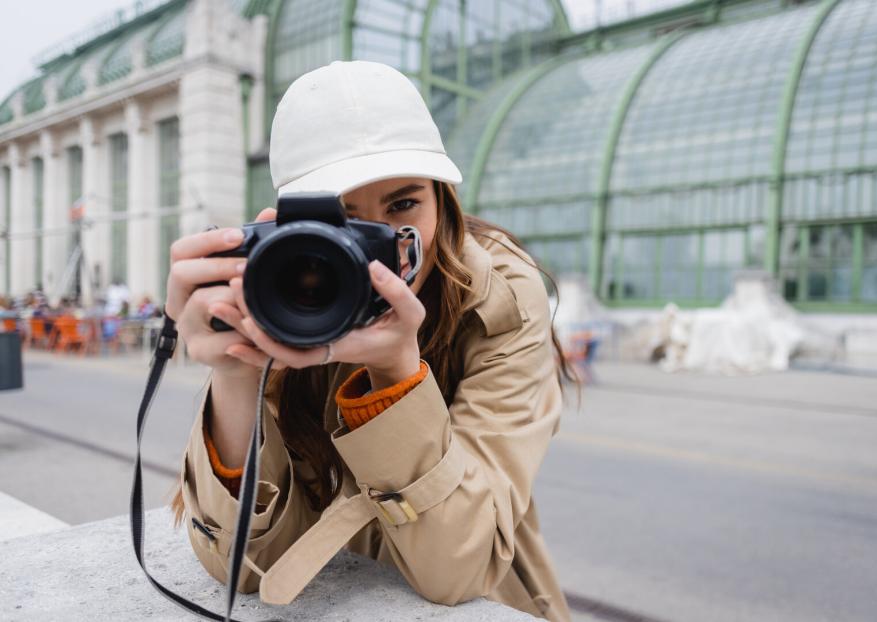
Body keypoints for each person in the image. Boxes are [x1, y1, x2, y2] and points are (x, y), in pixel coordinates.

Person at [166, 61, 574, 622]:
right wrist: (235, 372)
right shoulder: (277, 287)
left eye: (402, 206)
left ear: (441, 199)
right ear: (289, 225)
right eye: (342, 222)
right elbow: (240, 566)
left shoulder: (497, 298)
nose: (375, 247)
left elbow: (457, 569)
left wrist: (398, 375)